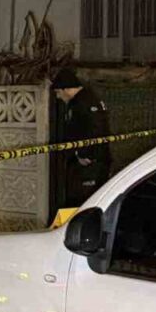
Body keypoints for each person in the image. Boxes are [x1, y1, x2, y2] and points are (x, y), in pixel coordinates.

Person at [51, 68, 112, 208]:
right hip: (87, 161)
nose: (58, 97)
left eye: (58, 92)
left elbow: (98, 129)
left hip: (90, 163)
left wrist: (85, 154)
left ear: (66, 89)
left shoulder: (85, 102)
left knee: (84, 201)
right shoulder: (83, 100)